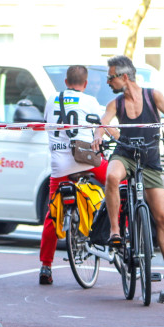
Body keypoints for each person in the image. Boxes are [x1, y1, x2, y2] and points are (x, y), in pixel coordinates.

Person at [98, 55, 164, 295]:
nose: (108, 82)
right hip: (125, 155)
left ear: (124, 77)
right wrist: (100, 134)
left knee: (162, 218)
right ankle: (115, 231)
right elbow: (102, 122)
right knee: (111, 176)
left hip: (149, 160)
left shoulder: (152, 96)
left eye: (110, 77)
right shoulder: (116, 104)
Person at [38, 65, 110, 285]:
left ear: (66, 82)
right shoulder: (90, 102)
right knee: (119, 181)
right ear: (85, 84)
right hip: (85, 161)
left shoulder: (51, 99)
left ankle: (46, 266)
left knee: (53, 213)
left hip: (60, 166)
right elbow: (104, 126)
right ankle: (116, 229)